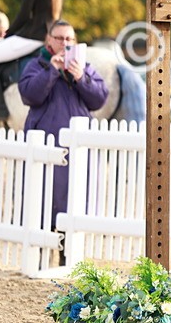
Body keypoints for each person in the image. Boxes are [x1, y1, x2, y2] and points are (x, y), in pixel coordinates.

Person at [18, 20, 110, 232]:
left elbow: (99, 99)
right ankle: (41, 252)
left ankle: (68, 256)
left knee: (76, 198)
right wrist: (52, 70)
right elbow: (29, 95)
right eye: (59, 38)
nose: (64, 43)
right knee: (43, 198)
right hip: (47, 145)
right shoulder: (36, 65)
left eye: (69, 38)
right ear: (49, 40)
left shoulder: (84, 67)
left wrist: (80, 78)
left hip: (77, 148)